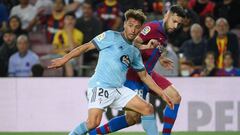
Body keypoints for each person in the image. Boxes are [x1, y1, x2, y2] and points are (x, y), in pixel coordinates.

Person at [48, 9, 173, 135]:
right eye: (130, 26)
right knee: (92, 123)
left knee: (147, 109)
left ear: (140, 29)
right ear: (124, 25)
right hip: (101, 86)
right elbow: (85, 47)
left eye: (137, 27)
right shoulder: (110, 36)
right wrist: (64, 59)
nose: (133, 30)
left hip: (118, 89)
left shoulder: (134, 51)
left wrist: (162, 94)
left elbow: (145, 76)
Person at [90, 5, 185, 135]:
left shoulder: (165, 33)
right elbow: (132, 43)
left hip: (149, 74)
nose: (175, 26)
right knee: (132, 119)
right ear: (167, 15)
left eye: (178, 24)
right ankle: (95, 133)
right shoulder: (152, 28)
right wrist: (146, 46)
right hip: (134, 76)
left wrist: (161, 58)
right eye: (174, 21)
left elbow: (154, 47)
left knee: (175, 97)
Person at [52, 12, 84, 77]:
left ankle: (69, 84)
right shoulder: (59, 33)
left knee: (67, 61)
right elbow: (54, 50)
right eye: (67, 19)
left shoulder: (79, 34)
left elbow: (73, 50)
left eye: (72, 19)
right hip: (59, 55)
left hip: (72, 57)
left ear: (75, 21)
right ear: (64, 21)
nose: (70, 21)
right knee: (41, 60)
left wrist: (69, 32)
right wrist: (66, 48)